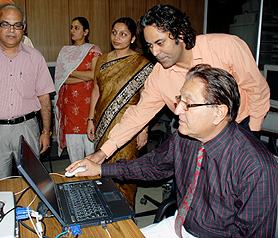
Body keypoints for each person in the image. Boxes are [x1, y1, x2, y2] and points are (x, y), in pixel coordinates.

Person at [67, 64, 278, 237]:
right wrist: (101, 169)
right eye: (179, 100)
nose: (177, 111)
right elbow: (151, 166)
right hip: (178, 225)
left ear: (218, 113)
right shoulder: (185, 138)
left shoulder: (256, 166)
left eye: (188, 105)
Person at [83, 4, 270, 165]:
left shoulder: (226, 47)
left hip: (238, 128)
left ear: (179, 34)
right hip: (194, 137)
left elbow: (257, 89)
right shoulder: (159, 74)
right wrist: (103, 152)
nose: (155, 52)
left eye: (160, 42)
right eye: (150, 46)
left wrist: (252, 133)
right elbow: (138, 114)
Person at [0, 4, 55, 180]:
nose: (11, 30)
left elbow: (44, 97)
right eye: (6, 24)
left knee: (32, 181)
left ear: (24, 28)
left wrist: (45, 132)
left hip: (27, 128)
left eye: (17, 25)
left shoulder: (35, 57)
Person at [86, 17, 153, 208]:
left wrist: (144, 129)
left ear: (133, 38)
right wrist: (90, 119)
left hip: (129, 125)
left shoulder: (142, 63)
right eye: (114, 32)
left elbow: (148, 100)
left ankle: (126, 215)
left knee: (126, 172)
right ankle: (106, 212)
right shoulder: (101, 60)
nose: (117, 37)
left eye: (123, 34)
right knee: (102, 166)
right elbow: (96, 90)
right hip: (102, 122)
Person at [54, 17, 102, 163]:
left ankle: (94, 183)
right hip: (70, 108)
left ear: (86, 31)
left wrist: (72, 73)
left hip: (89, 108)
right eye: (71, 27)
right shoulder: (65, 51)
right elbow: (61, 79)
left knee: (91, 153)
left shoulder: (93, 49)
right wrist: (84, 76)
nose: (72, 31)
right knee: (74, 156)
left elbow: (95, 74)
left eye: (77, 28)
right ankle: (77, 182)